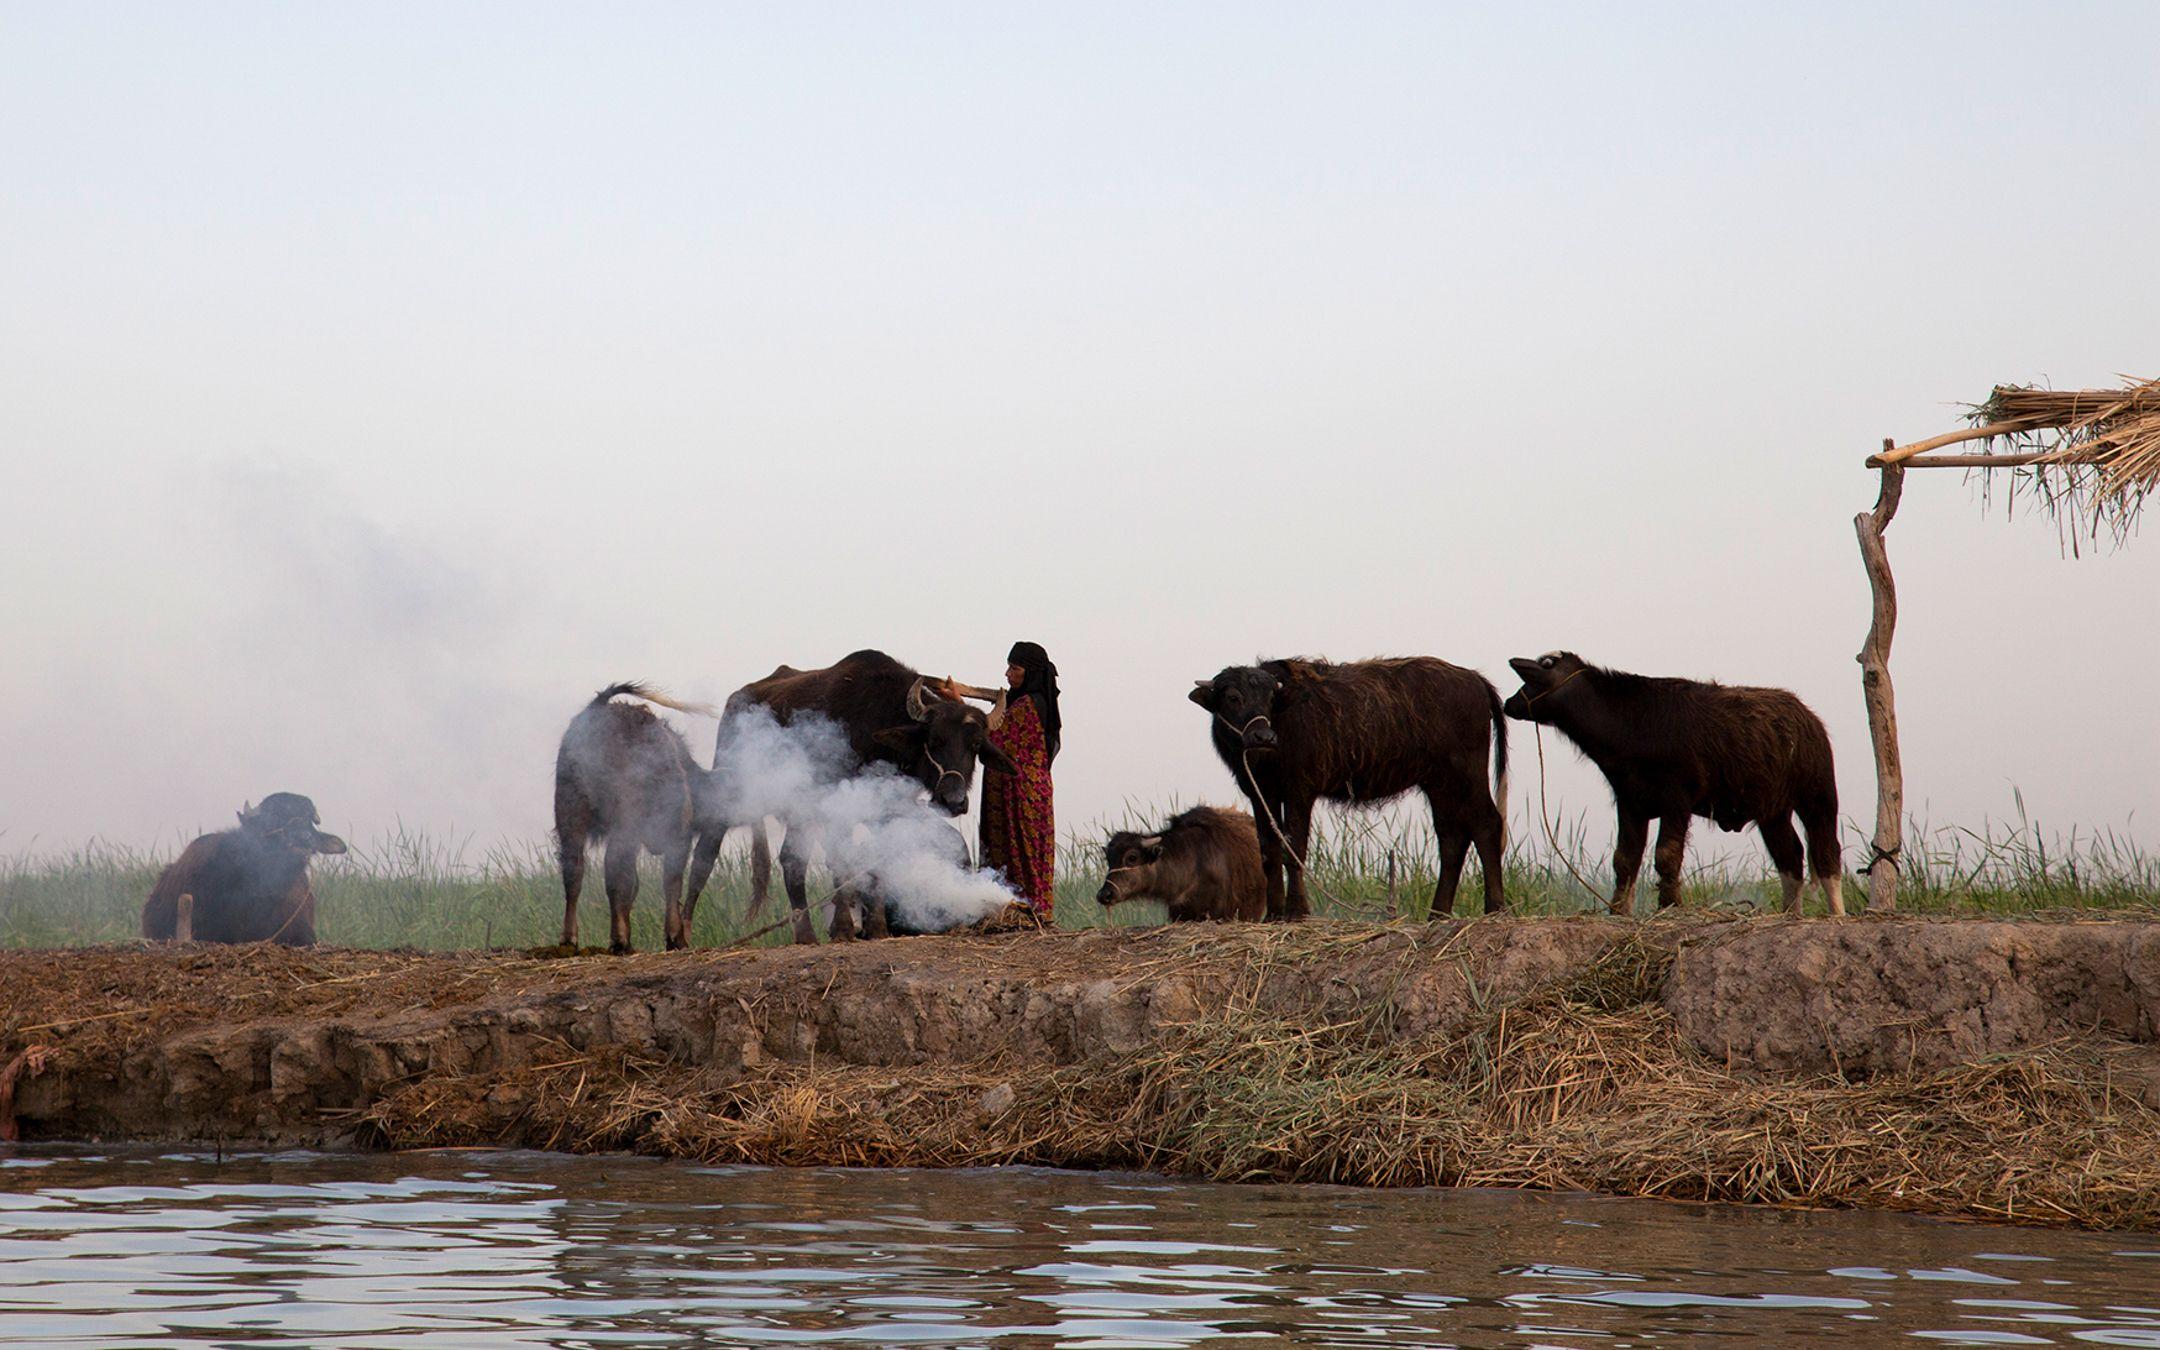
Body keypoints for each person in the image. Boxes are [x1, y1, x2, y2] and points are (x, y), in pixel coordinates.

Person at [979, 640, 1060, 919]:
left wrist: (955, 703)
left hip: (1022, 795)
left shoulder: (1028, 705)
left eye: (1014, 668)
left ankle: (1026, 915)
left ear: (1031, 672)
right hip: (1025, 791)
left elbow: (993, 737)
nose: (1007, 674)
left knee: (1023, 853)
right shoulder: (1027, 702)